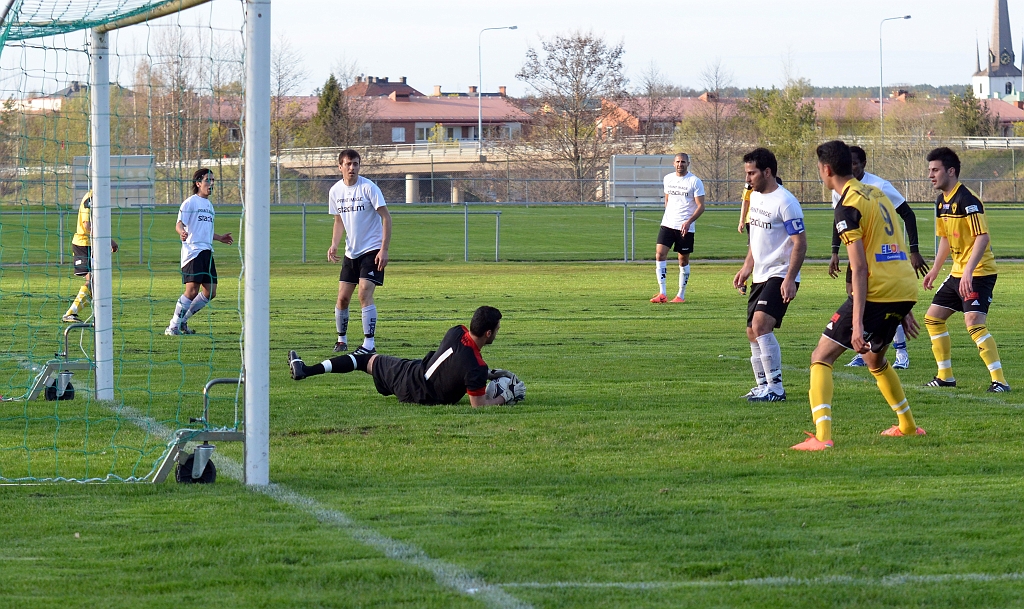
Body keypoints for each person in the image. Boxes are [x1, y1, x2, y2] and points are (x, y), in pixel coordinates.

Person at [792, 140, 924, 451]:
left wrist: (855, 320)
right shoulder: (876, 192)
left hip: (878, 291)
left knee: (821, 357)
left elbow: (860, 267)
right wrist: (903, 303)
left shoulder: (847, 204)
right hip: (902, 287)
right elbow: (894, 243)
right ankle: (907, 426)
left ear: (826, 170)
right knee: (874, 359)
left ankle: (822, 438)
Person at [288, 306, 521, 407]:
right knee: (365, 358)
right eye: (498, 329)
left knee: (364, 359)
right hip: (415, 386)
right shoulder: (476, 367)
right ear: (488, 333)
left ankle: (306, 369)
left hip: (412, 375)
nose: (498, 333)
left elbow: (458, 362)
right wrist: (505, 397)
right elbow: (478, 405)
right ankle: (305, 370)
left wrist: (487, 374)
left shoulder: (456, 331)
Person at [830, 145, 929, 369]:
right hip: (858, 252)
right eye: (849, 163)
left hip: (882, 258)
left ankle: (901, 354)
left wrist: (913, 250)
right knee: (856, 298)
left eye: (855, 163)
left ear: (863, 164)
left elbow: (908, 214)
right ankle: (864, 349)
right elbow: (838, 219)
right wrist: (835, 251)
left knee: (885, 305)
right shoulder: (840, 188)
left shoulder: (880, 186)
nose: (852, 167)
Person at [920, 147, 1009, 392]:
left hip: (979, 272)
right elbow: (946, 239)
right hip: (959, 272)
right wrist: (936, 270)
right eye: (929, 170)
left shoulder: (967, 199)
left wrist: (968, 271)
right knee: (933, 318)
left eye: (935, 170)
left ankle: (1000, 381)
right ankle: (945, 377)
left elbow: (982, 237)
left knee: (973, 321)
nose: (931, 175)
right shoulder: (941, 202)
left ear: (951, 171)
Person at [733, 148, 806, 402]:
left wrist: (789, 278)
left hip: (780, 273)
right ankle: (762, 386)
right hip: (761, 274)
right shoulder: (755, 198)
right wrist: (747, 267)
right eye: (746, 173)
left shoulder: (786, 202)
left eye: (751, 173)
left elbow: (800, 243)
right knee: (752, 331)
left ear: (767, 171)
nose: (748, 178)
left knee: (761, 324)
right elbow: (756, 238)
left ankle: (776, 389)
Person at [328, 149, 392, 355]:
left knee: (364, 292)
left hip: (372, 250)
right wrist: (334, 245)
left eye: (355, 164)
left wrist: (384, 249)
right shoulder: (335, 191)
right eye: (348, 164)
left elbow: (386, 218)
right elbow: (338, 220)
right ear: (340, 167)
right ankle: (341, 340)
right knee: (342, 298)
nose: (352, 168)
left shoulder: (369, 188)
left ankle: (369, 344)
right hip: (351, 252)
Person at [165, 168, 233, 336]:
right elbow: (179, 223)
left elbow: (205, 231)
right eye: (208, 180)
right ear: (198, 183)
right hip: (193, 251)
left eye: (213, 180)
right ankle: (173, 326)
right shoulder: (190, 202)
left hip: (207, 251)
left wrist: (220, 238)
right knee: (192, 291)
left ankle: (182, 321)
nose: (211, 184)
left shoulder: (209, 206)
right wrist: (181, 232)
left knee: (210, 292)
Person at [652, 152, 705, 303]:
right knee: (660, 254)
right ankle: (662, 293)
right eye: (677, 162)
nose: (680, 164)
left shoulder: (695, 182)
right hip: (668, 224)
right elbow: (667, 200)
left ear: (688, 164)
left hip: (685, 228)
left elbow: (701, 206)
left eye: (683, 162)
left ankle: (680, 295)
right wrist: (668, 216)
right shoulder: (668, 179)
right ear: (673, 163)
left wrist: (689, 222)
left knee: (682, 261)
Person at [63, 190, 118, 323]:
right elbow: (86, 225)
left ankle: (98, 316)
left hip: (91, 246)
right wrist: (107, 239)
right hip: (82, 244)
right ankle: (71, 313)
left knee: (96, 281)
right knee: (92, 279)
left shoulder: (98, 197)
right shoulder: (91, 197)